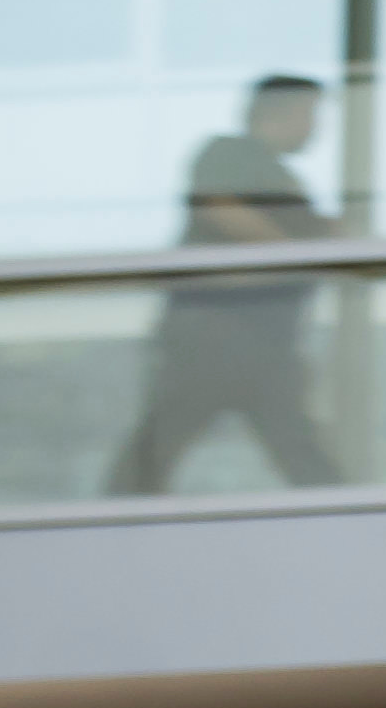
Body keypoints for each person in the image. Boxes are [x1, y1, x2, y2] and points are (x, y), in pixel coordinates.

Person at [113, 75, 345, 494]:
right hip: (214, 334)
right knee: (160, 446)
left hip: (267, 343)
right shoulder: (231, 153)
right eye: (311, 115)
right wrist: (292, 251)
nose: (316, 128)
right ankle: (113, 524)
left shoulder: (283, 181)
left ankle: (353, 526)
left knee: (300, 451)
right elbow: (220, 204)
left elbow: (324, 238)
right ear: (283, 112)